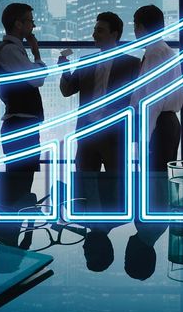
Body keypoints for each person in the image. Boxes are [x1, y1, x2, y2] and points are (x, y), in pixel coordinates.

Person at [59, 12, 140, 214]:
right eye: (95, 30)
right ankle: (91, 228)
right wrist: (64, 68)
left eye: (100, 30)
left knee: (117, 186)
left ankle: (111, 224)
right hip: (86, 133)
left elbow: (137, 98)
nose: (94, 34)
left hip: (115, 134)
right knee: (85, 186)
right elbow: (68, 90)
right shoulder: (86, 62)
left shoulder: (131, 63)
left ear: (115, 34)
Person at [0, 3, 45, 197]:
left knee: (20, 183)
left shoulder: (12, 51)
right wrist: (37, 53)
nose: (33, 26)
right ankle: (11, 225)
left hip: (21, 123)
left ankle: (13, 223)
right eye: (30, 21)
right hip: (20, 125)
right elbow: (37, 79)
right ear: (18, 24)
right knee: (20, 185)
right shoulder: (10, 51)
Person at [130, 5, 182, 181]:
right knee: (161, 179)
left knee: (154, 181)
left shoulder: (155, 54)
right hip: (165, 122)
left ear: (142, 28)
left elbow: (153, 100)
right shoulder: (165, 50)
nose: (135, 32)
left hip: (158, 124)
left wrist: (145, 138)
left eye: (135, 26)